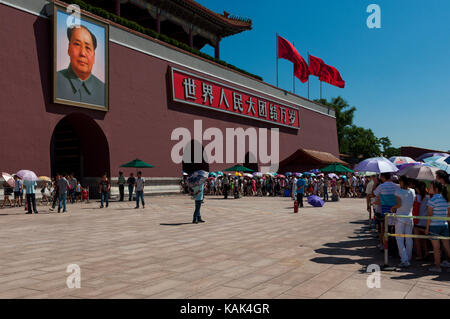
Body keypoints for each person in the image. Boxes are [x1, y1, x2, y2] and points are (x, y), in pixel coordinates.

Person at [56, 25, 105, 106]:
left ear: (94, 55)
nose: (82, 53)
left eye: (88, 48)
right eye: (77, 44)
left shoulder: (103, 90)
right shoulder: (55, 79)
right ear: (69, 49)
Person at [425, 181, 450, 273]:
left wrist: (427, 228)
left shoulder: (432, 200)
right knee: (447, 247)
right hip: (444, 225)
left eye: (431, 187)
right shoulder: (446, 199)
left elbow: (429, 215)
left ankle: (437, 266)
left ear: (436, 188)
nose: (429, 189)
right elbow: (448, 214)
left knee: (436, 248)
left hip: (434, 226)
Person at [390, 176, 415, 268]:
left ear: (402, 182)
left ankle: (404, 259)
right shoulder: (413, 191)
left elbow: (399, 204)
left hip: (400, 217)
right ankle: (408, 257)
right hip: (410, 216)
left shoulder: (398, 191)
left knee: (399, 239)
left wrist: (393, 207)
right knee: (409, 238)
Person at [373, 173, 399, 255]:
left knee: (386, 231)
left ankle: (387, 249)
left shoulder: (381, 186)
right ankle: (395, 248)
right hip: (396, 211)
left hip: (385, 212)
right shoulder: (397, 186)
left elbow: (374, 194)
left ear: (383, 177)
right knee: (395, 231)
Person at [412, 181, 430, 261]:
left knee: (417, 239)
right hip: (426, 222)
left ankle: (419, 255)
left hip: (417, 221)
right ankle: (426, 253)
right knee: (424, 239)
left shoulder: (416, 197)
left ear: (418, 189)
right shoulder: (429, 197)